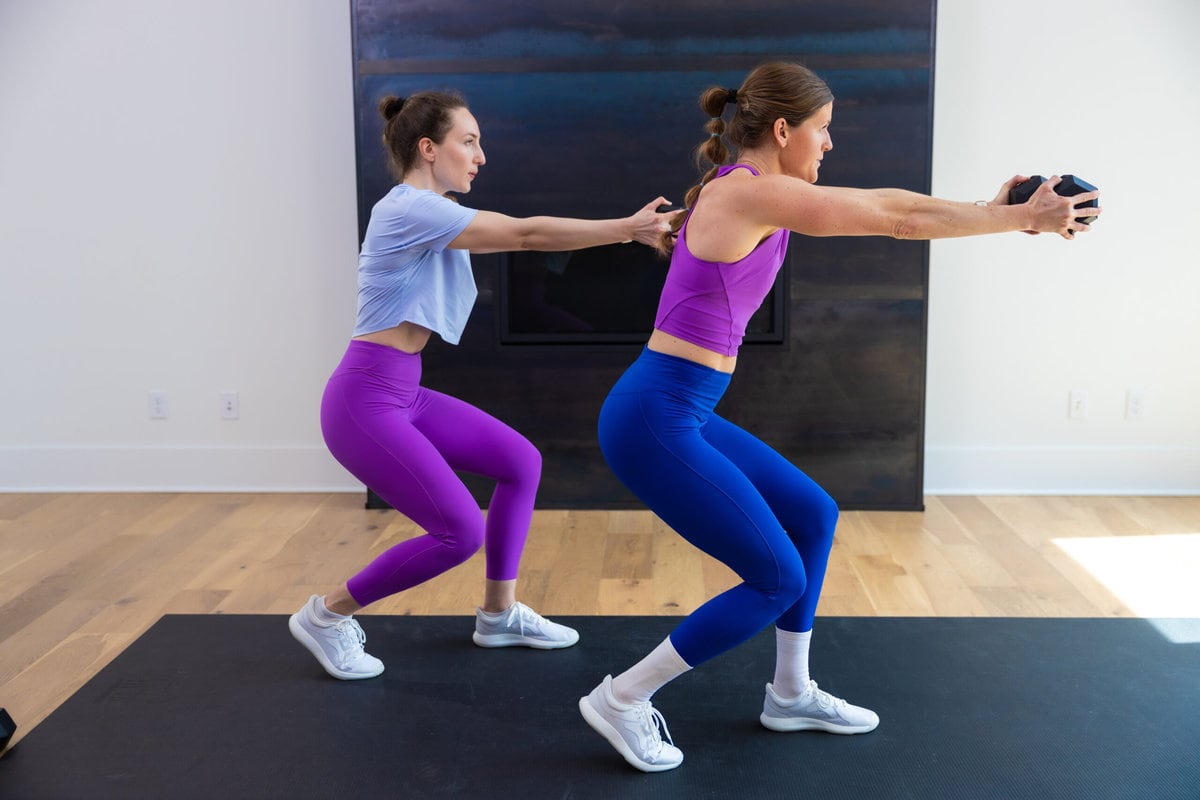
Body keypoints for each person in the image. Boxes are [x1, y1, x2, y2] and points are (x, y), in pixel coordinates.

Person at [578, 61, 1100, 772]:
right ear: (785, 129)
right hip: (654, 417)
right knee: (776, 578)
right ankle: (622, 699)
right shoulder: (747, 196)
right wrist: (1015, 219)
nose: (830, 144)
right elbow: (896, 217)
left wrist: (995, 210)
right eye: (822, 130)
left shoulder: (750, 192)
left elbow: (895, 205)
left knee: (814, 514)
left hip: (682, 408)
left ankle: (789, 693)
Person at [289, 90, 671, 680]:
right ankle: (325, 616)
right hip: (364, 400)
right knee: (459, 531)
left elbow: (522, 239)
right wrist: (629, 228)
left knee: (520, 461)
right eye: (468, 141)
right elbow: (524, 236)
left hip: (402, 392)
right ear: (427, 148)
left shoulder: (431, 211)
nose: (480, 156)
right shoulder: (410, 209)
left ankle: (498, 615)